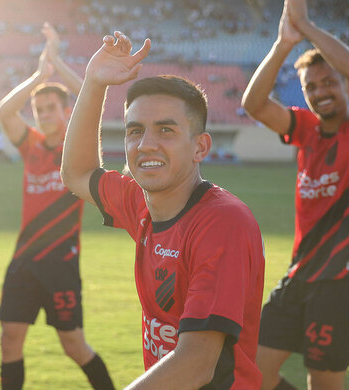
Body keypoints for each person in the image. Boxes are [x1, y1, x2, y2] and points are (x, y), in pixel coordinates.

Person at [61, 31, 265, 389]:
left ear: (200, 147)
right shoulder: (142, 202)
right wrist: (94, 84)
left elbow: (197, 362)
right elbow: (77, 173)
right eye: (134, 131)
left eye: (166, 130)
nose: (146, 144)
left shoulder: (223, 222)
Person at [241, 0, 349, 389]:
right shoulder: (306, 129)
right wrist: (283, 44)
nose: (320, 92)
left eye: (328, 83)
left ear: (343, 86)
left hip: (340, 283)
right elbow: (253, 104)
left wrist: (305, 25)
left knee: (322, 383)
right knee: (251, 370)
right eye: (311, 86)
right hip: (298, 276)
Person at [0, 23, 114, 390]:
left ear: (66, 112)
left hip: (60, 265)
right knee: (9, 339)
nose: (44, 114)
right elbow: (4, 111)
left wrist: (58, 63)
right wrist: (38, 76)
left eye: (51, 108)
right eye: (39, 109)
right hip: (24, 260)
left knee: (73, 345)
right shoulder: (31, 145)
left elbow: (91, 96)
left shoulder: (75, 148)